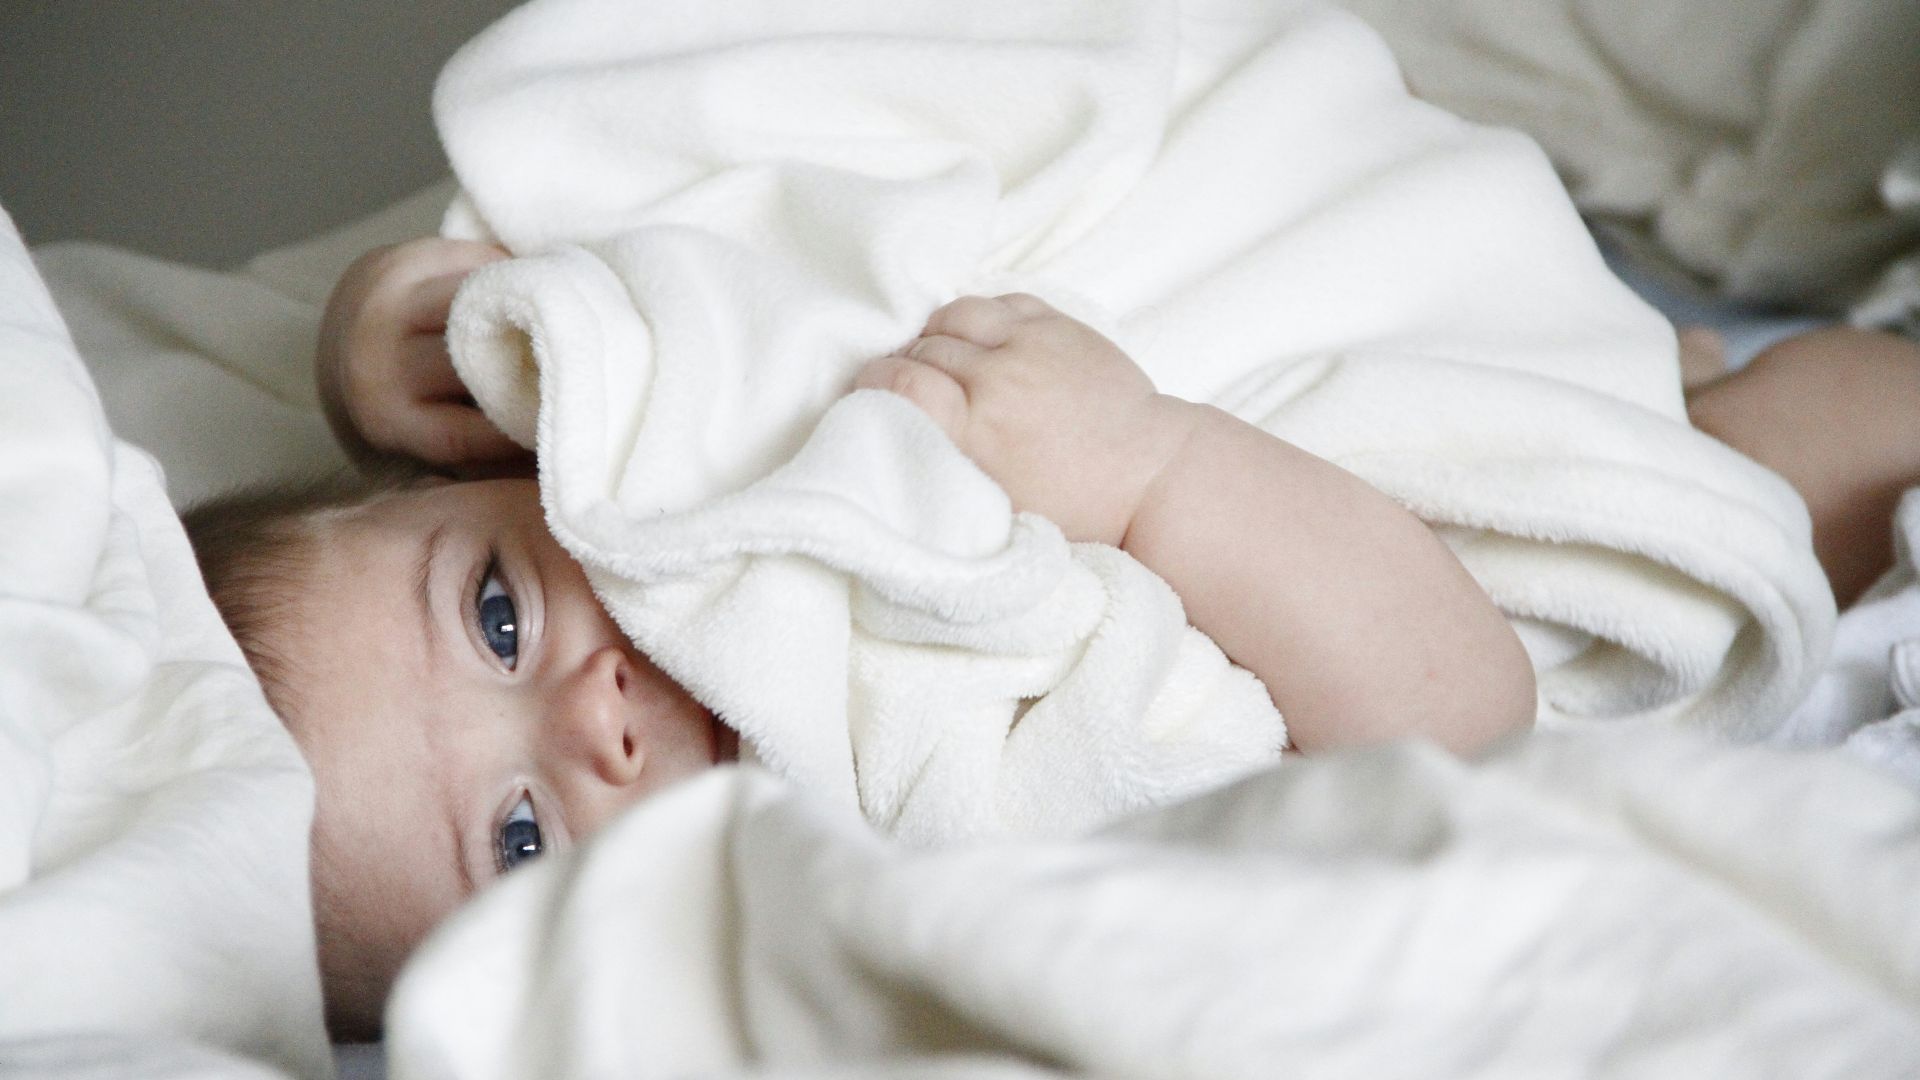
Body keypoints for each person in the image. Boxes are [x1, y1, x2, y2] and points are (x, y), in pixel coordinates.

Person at [190, 237, 1919, 1038]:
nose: (593, 724)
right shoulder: (917, 832)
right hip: (1467, 554)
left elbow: (630, 269)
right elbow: (1457, 728)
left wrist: (394, 334)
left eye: (496, 613)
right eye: (518, 837)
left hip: (1389, 329)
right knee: (1801, 446)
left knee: (1661, 363)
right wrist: (1151, 469)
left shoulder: (689, 461)